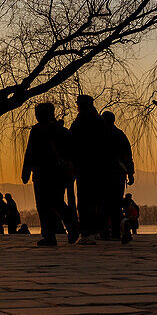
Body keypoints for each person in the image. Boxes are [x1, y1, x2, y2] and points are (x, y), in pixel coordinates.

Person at [22, 102, 78, 246]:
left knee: (45, 204)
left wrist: (26, 171)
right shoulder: (63, 130)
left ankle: (52, 234)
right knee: (55, 202)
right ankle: (66, 228)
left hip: (43, 172)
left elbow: (30, 152)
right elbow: (72, 153)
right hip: (57, 173)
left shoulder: (37, 131)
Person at [69, 95, 105, 243]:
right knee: (96, 199)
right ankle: (97, 230)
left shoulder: (80, 121)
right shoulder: (100, 121)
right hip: (99, 165)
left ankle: (86, 232)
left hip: (83, 165)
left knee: (84, 200)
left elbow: (71, 142)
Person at [100, 111, 135, 241]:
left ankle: (105, 231)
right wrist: (130, 173)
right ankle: (117, 229)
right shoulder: (120, 134)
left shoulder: (100, 135)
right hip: (119, 174)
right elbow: (128, 155)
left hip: (103, 174)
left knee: (104, 203)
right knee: (115, 203)